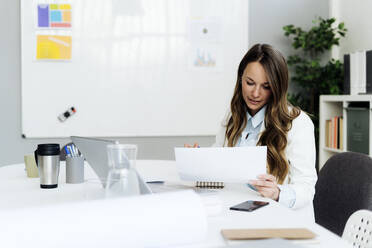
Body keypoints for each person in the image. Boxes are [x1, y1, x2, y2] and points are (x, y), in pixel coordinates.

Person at [187, 44, 317, 217]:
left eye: (266, 86)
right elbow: (219, 158)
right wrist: (200, 159)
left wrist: (277, 193)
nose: (256, 93)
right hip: (234, 211)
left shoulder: (298, 123)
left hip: (278, 218)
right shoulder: (232, 117)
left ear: (277, 88)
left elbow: (306, 187)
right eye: (250, 83)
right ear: (241, 79)